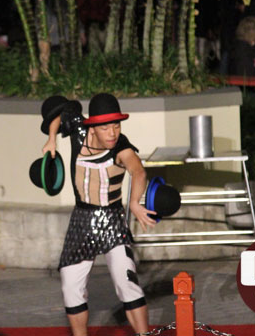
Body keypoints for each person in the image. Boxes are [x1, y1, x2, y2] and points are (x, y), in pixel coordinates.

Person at [40, 93, 155, 336]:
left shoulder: (122, 147)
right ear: (92, 126)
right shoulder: (78, 130)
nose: (112, 133)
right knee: (70, 285)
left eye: (116, 125)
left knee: (127, 283)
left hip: (113, 221)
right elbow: (58, 114)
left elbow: (139, 172)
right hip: (82, 220)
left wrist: (134, 202)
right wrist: (51, 139)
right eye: (105, 127)